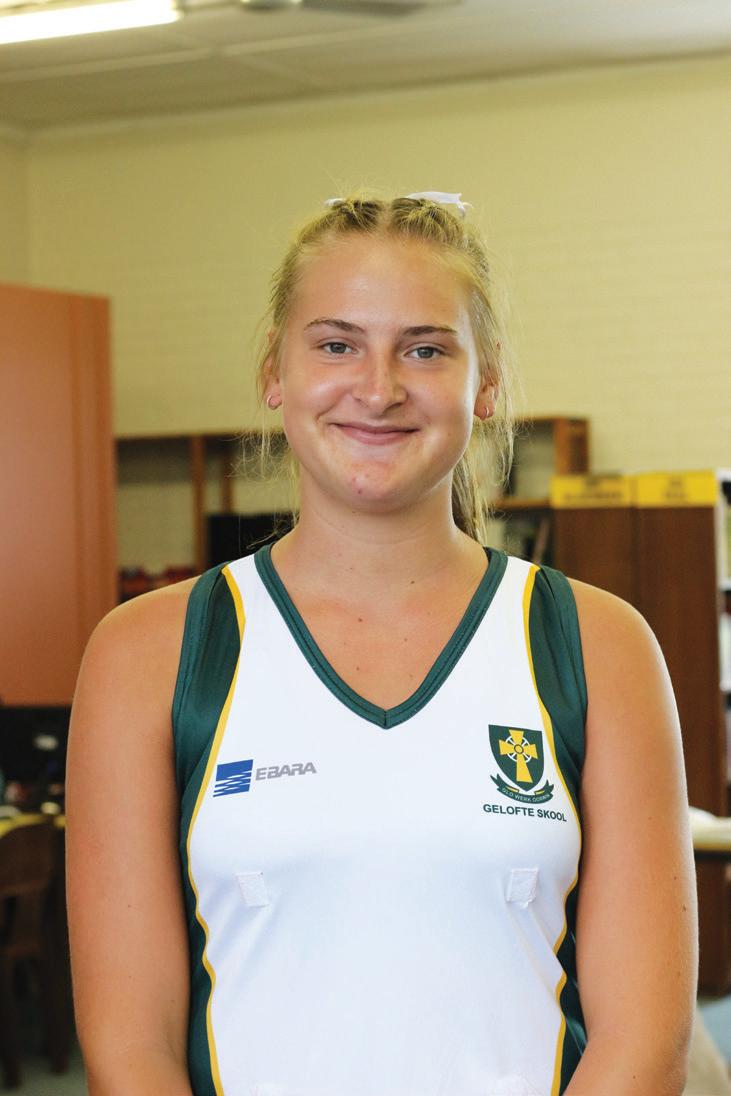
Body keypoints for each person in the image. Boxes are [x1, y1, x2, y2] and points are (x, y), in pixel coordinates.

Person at [66, 191, 698, 1096]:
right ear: (274, 372)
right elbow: (132, 1051)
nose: (377, 388)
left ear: (485, 384)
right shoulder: (149, 653)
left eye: (425, 349)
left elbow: (644, 1047)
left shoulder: (595, 645)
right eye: (336, 345)